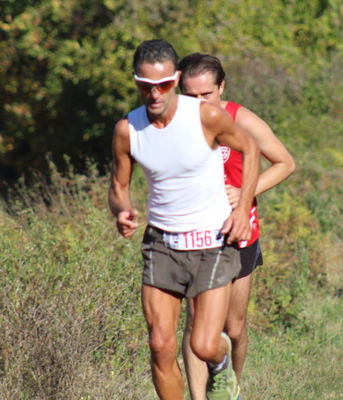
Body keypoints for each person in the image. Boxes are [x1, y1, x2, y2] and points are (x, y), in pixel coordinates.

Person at [108, 39, 259, 400]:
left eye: (162, 84)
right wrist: (122, 210)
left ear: (175, 79)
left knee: (205, 346)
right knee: (160, 344)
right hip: (162, 243)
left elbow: (250, 149)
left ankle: (222, 367)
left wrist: (241, 210)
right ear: (136, 83)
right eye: (145, 86)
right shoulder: (128, 129)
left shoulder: (204, 116)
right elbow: (118, 185)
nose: (154, 93)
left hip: (212, 244)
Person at [177, 53, 295, 399]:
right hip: (195, 235)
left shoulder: (242, 120)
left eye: (206, 95)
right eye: (190, 95)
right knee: (197, 323)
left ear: (221, 87)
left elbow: (285, 163)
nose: (198, 103)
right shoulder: (173, 124)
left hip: (239, 231)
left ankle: (232, 389)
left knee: (233, 327)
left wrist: (245, 191)